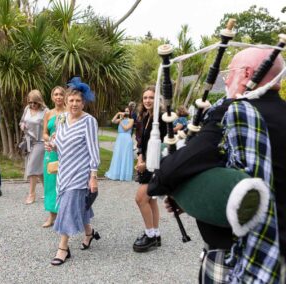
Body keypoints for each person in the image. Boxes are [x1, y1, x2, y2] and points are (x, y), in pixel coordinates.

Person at [153, 48, 286, 283]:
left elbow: (169, 171)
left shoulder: (233, 113)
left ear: (247, 74)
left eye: (230, 72)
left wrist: (181, 190)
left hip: (241, 259)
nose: (225, 79)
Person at [46, 77, 100, 266]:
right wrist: (52, 145)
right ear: (66, 102)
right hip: (64, 171)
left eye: (78, 101)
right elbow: (59, 142)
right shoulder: (62, 120)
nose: (74, 104)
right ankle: (89, 233)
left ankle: (63, 248)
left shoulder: (89, 121)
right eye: (71, 100)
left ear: (83, 102)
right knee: (80, 206)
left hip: (80, 173)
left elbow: (94, 150)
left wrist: (93, 177)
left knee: (67, 208)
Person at [133, 86, 166, 252]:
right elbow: (141, 142)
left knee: (140, 198)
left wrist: (146, 164)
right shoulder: (145, 116)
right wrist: (140, 158)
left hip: (156, 165)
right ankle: (156, 233)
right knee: (150, 199)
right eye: (145, 97)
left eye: (151, 97)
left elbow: (164, 146)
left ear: (157, 99)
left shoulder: (161, 119)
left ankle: (150, 235)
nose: (147, 100)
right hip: (146, 164)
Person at [42, 86, 65, 227]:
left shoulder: (69, 112)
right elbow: (44, 133)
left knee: (64, 182)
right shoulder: (48, 114)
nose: (58, 97)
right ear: (52, 97)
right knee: (50, 182)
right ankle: (51, 215)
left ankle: (64, 214)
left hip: (66, 151)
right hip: (51, 151)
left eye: (61, 94)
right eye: (55, 94)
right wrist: (50, 138)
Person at [20, 89, 48, 204]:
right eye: (30, 102)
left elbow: (51, 127)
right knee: (40, 170)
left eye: (35, 102)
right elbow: (22, 121)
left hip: (40, 142)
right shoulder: (27, 109)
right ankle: (49, 192)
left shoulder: (46, 111)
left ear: (40, 101)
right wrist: (22, 125)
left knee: (31, 167)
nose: (32, 105)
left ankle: (31, 194)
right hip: (29, 141)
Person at [104, 107, 134, 181]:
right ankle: (116, 174)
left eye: (128, 111)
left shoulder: (131, 120)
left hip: (127, 138)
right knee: (118, 155)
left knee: (125, 155)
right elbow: (113, 121)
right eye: (125, 111)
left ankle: (124, 175)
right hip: (120, 139)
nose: (126, 112)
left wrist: (120, 121)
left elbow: (126, 128)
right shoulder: (121, 119)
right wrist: (118, 114)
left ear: (130, 112)